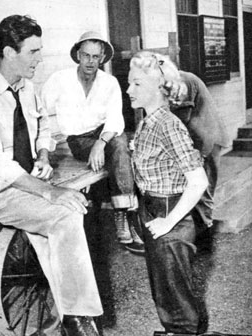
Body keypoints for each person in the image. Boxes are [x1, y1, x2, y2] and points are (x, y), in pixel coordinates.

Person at [0, 15, 102, 336]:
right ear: (8, 52)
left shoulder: (27, 88)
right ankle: (78, 319)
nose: (40, 58)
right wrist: (50, 192)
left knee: (68, 219)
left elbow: (43, 128)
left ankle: (70, 315)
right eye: (33, 51)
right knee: (64, 216)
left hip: (31, 180)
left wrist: (45, 154)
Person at [127, 51, 209, 334]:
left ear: (158, 88)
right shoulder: (147, 121)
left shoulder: (168, 125)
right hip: (153, 209)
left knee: (177, 299)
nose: (129, 90)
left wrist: (169, 221)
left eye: (136, 84)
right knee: (164, 293)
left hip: (169, 213)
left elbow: (198, 181)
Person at [41, 31, 144, 254]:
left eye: (96, 57)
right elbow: (41, 114)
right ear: (78, 55)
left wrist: (100, 143)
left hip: (105, 136)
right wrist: (44, 149)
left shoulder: (109, 82)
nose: (90, 61)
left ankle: (122, 214)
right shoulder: (59, 80)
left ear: (103, 57)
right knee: (120, 145)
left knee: (119, 142)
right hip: (78, 140)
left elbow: (116, 119)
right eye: (86, 55)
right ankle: (127, 215)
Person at [170, 71, 230, 235]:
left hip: (206, 138)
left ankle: (205, 236)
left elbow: (181, 117)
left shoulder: (183, 81)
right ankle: (201, 231)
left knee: (203, 189)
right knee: (197, 187)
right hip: (199, 138)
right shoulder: (174, 81)